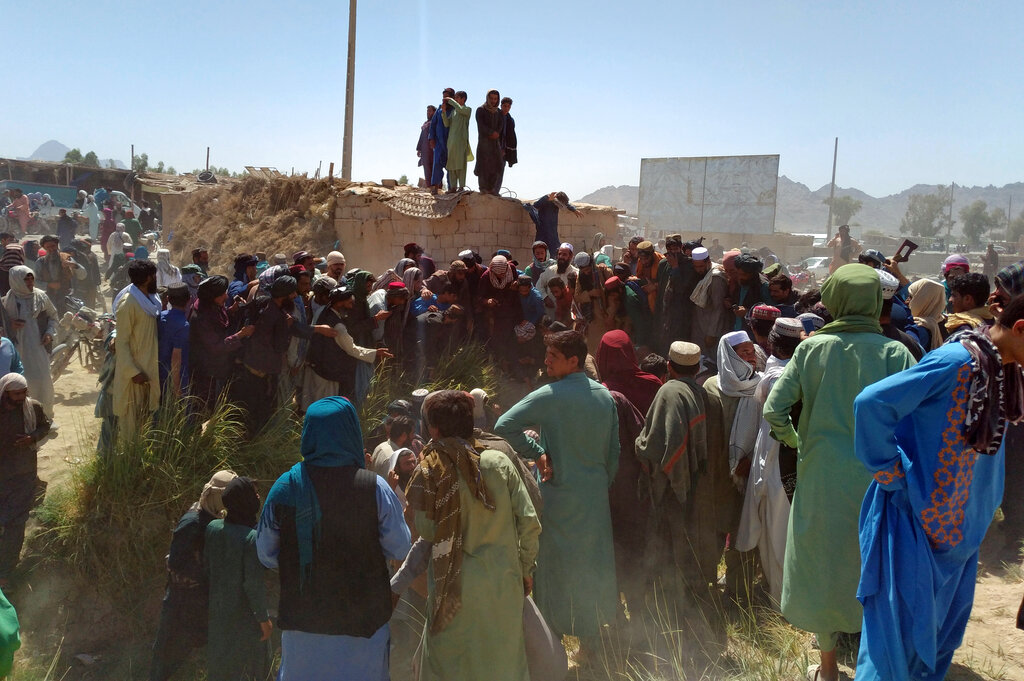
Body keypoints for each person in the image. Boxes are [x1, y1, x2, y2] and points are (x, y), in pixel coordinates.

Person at [853, 295, 1024, 681]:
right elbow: (872, 403)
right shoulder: (955, 362)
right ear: (1019, 328)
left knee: (939, 639)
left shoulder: (1004, 370)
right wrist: (892, 473)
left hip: (962, 532)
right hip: (914, 523)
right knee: (895, 646)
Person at [763, 264, 916, 681]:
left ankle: (828, 668)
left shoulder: (812, 349)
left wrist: (797, 442)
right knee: (870, 560)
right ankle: (873, 662)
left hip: (821, 476)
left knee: (823, 563)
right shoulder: (895, 352)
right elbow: (912, 419)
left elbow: (774, 409)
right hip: (879, 479)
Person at [257, 396, 412, 680]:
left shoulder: (286, 486)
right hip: (364, 628)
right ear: (351, 432)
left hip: (303, 628)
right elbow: (400, 546)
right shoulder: (374, 488)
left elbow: (265, 554)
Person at [494, 330, 619, 646]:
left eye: (553, 357)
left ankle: (553, 644)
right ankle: (591, 644)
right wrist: (598, 484)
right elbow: (613, 453)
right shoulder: (605, 396)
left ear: (573, 361)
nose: (546, 361)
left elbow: (503, 426)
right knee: (591, 565)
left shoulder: (549, 394)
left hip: (557, 497)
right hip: (593, 498)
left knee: (553, 568)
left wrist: (538, 454)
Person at [405, 390, 541, 681]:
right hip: (502, 582)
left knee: (450, 665)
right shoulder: (498, 463)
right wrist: (526, 569)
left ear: (434, 429)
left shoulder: (430, 470)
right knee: (503, 661)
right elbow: (529, 521)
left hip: (451, 588)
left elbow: (427, 531)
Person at [634, 341, 722, 598]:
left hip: (672, 487)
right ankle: (694, 592)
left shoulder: (669, 391)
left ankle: (671, 599)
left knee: (669, 543)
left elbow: (659, 445)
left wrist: (638, 444)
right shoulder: (708, 394)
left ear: (669, 367)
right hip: (701, 484)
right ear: (697, 369)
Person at [735, 318, 804, 607]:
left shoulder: (773, 378)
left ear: (772, 343)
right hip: (795, 458)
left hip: (778, 457)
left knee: (776, 531)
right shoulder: (801, 372)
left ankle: (782, 602)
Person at [149, 471, 237, 681]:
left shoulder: (212, 517)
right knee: (166, 657)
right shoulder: (193, 522)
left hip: (200, 601)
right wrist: (208, 574)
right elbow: (175, 563)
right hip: (182, 602)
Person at [204, 477, 271, 681]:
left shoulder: (213, 527)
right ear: (246, 501)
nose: (258, 496)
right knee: (257, 666)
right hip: (244, 617)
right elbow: (253, 584)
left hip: (218, 612)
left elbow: (208, 566)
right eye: (253, 493)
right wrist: (263, 618)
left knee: (221, 666)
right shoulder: (252, 538)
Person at [303, 286, 391, 409]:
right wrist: (376, 353)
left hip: (315, 366)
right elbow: (352, 349)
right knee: (325, 409)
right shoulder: (338, 326)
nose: (351, 307)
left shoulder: (323, 311)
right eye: (349, 303)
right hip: (326, 374)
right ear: (339, 302)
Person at [0, 373, 50, 588]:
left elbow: (45, 426)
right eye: (16, 393)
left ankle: (6, 572)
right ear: (5, 393)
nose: (21, 397)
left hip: (24, 473)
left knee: (16, 522)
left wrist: (32, 438)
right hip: (2, 473)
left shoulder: (33, 407)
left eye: (23, 392)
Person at [112, 259, 162, 440]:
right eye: (154, 275)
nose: (156, 278)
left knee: (146, 423)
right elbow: (122, 342)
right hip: (134, 375)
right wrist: (133, 372)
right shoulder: (129, 303)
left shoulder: (151, 299)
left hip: (150, 369)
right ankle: (128, 463)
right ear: (148, 278)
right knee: (130, 426)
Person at [1, 267, 57, 420]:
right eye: (26, 279)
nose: (30, 282)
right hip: (18, 350)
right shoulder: (6, 301)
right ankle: (25, 419)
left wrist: (49, 333)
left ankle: (46, 418)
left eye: (31, 278)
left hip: (38, 348)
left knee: (44, 381)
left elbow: (53, 315)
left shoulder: (40, 297)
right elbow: (2, 325)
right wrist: (10, 324)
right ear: (16, 280)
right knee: (23, 383)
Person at [157, 283, 191, 400]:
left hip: (158, 374)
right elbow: (176, 358)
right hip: (175, 378)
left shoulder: (160, 317)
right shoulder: (183, 325)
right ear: (189, 299)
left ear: (168, 299)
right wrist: (177, 388)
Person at [474, 89, 505, 194]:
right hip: (484, 142)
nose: (493, 101)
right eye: (491, 98)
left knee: (496, 165)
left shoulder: (499, 112)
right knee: (484, 165)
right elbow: (481, 126)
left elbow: (501, 125)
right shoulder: (480, 110)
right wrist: (490, 133)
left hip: (495, 143)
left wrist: (496, 133)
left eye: (495, 99)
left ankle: (492, 189)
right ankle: (483, 188)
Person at [442, 91, 473, 191]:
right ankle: (453, 187)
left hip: (461, 141)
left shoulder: (467, 110)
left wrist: (450, 100)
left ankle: (461, 186)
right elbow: (447, 124)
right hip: (451, 142)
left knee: (461, 165)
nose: (455, 100)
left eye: (457, 98)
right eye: (454, 98)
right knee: (451, 164)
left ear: (463, 99)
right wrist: (443, 112)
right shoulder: (453, 112)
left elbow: (460, 109)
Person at [944, 272, 993, 336]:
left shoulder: (964, 329)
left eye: (954, 295)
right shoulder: (993, 320)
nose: (950, 299)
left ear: (967, 299)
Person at [907, 278, 947, 351]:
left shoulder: (917, 328)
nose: (906, 301)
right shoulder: (946, 324)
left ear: (921, 299)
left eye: (911, 297)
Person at [428, 88, 455, 194]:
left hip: (450, 143)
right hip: (439, 143)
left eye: (447, 97)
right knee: (437, 165)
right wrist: (431, 138)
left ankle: (451, 188)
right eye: (443, 97)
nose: (444, 99)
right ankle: (434, 187)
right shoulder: (439, 110)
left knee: (451, 166)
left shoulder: (455, 111)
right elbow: (433, 124)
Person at [496, 96, 517, 192]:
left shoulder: (510, 120)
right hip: (494, 148)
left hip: (505, 149)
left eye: (508, 106)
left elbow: (511, 137)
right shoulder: (495, 116)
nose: (506, 108)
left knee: (500, 171)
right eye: (505, 106)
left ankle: (496, 191)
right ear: (501, 106)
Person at [417, 104, 437, 185]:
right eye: (427, 111)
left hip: (433, 148)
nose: (428, 113)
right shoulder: (425, 124)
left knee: (434, 167)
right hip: (425, 149)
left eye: (430, 111)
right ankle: (429, 186)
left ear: (434, 112)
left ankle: (437, 186)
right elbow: (421, 137)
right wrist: (419, 149)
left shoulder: (436, 122)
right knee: (426, 167)